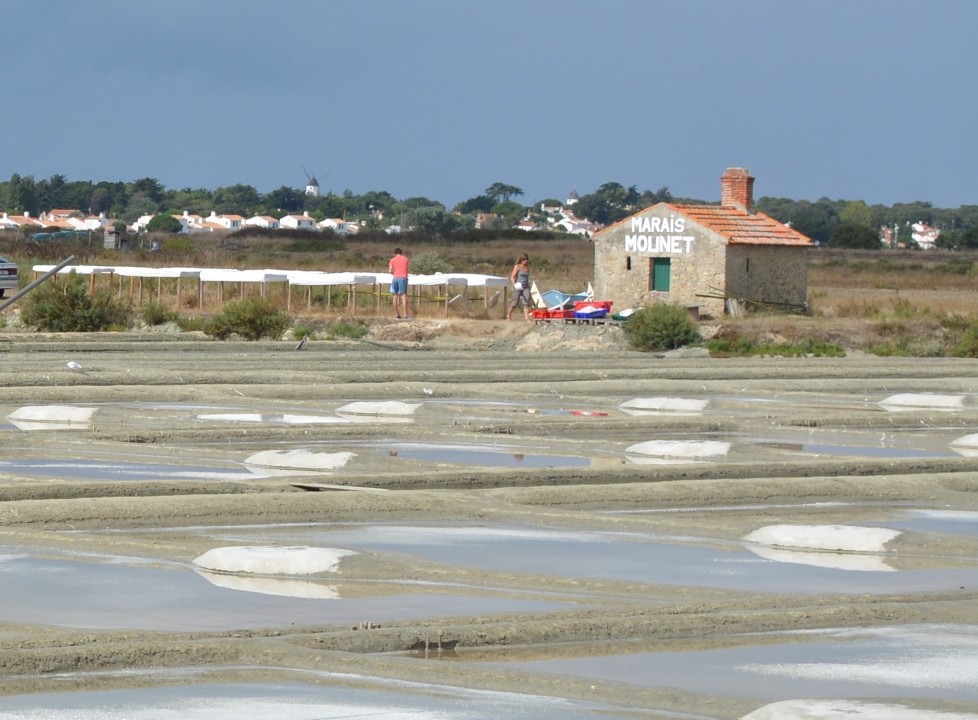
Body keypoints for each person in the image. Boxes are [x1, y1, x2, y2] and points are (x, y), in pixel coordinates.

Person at [507, 253, 532, 321]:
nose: (525, 261)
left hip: (525, 287)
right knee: (515, 302)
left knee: (526, 302)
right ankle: (508, 314)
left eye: (526, 259)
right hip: (518, 286)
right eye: (524, 259)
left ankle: (527, 318)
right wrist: (514, 284)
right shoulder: (517, 267)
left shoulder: (527, 267)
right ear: (521, 260)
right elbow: (512, 277)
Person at [388, 247, 410, 318]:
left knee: (395, 296)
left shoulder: (392, 260)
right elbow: (407, 267)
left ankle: (396, 314)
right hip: (403, 277)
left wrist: (394, 273)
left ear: (394, 253)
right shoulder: (406, 259)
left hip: (395, 278)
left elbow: (390, 271)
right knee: (403, 296)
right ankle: (405, 314)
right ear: (401, 253)